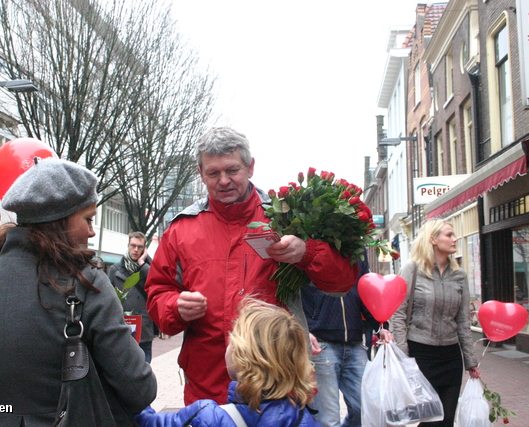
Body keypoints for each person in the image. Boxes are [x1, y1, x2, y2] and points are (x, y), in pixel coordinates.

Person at [146, 126, 359, 405]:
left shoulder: (286, 217)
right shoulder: (181, 230)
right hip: (208, 386)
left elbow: (341, 283)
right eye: (213, 173)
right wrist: (175, 307)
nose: (223, 180)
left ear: (250, 167)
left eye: (232, 170)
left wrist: (307, 253)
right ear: (200, 173)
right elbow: (158, 292)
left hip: (279, 382)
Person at [0, 159, 157, 426]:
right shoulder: (86, 284)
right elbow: (140, 389)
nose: (91, 231)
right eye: (88, 218)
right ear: (59, 221)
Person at [136, 298, 320, 426]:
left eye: (233, 338)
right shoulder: (303, 418)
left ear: (243, 357)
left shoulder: (206, 416)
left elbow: (148, 422)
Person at [390, 219, 480, 427]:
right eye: (449, 235)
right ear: (432, 239)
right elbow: (399, 313)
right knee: (430, 420)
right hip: (421, 354)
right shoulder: (412, 270)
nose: (454, 239)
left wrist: (470, 360)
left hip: (450, 356)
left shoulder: (460, 276)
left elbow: (463, 320)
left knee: (447, 419)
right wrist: (404, 357)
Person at [301, 256, 392, 427]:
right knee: (328, 419)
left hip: (354, 341)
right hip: (321, 342)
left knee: (365, 411)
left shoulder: (355, 248)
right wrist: (304, 330)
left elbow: (365, 290)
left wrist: (380, 325)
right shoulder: (311, 243)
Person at [108, 231, 155, 362]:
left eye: (139, 247)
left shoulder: (150, 268)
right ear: (128, 245)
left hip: (144, 327)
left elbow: (156, 284)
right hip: (123, 326)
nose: (135, 250)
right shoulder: (115, 269)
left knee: (145, 365)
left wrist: (142, 264)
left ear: (144, 249)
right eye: (133, 245)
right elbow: (109, 298)